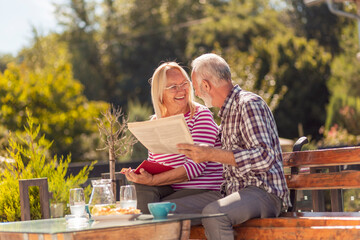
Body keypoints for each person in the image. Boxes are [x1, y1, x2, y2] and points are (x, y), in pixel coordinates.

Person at [174, 53, 291, 240]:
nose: (196, 94)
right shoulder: (226, 114)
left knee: (214, 214)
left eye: (196, 88)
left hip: (263, 192)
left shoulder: (248, 104)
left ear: (206, 85)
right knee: (166, 212)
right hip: (231, 191)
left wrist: (210, 154)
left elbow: (264, 156)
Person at [123, 62, 224, 214]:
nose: (181, 90)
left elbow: (195, 168)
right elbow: (155, 165)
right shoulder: (155, 122)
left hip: (204, 189)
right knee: (143, 188)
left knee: (157, 208)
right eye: (173, 87)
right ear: (160, 92)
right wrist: (142, 176)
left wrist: (152, 180)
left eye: (184, 83)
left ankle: (145, 230)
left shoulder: (200, 115)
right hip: (171, 189)